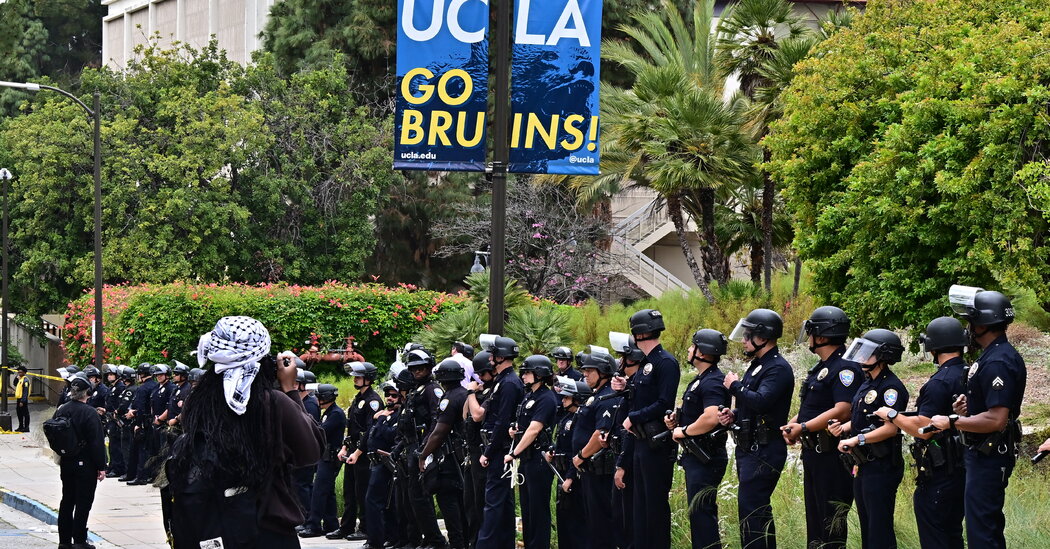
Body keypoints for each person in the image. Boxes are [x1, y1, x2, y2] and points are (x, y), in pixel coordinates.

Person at [165, 316, 324, 548]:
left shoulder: (196, 401)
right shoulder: (272, 403)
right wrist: (290, 390)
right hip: (266, 529)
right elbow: (311, 451)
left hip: (214, 522)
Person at [928, 287, 1026, 549]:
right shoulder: (991, 356)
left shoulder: (998, 362)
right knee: (982, 528)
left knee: (983, 533)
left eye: (971, 321)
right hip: (982, 454)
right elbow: (989, 409)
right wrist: (967, 410)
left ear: (983, 324)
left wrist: (951, 421)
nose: (968, 328)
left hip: (989, 456)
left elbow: (996, 419)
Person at [873, 317, 967, 549]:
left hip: (941, 473)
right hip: (965, 469)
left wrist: (893, 416)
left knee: (936, 535)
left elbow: (925, 429)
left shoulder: (939, 383)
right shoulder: (969, 374)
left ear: (933, 348)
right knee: (953, 533)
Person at [781, 306, 860, 548]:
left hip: (832, 454)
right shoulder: (822, 367)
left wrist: (803, 427)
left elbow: (843, 408)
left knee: (831, 519)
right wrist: (795, 423)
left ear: (822, 336)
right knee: (815, 518)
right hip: (814, 452)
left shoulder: (846, 367)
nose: (810, 338)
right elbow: (813, 406)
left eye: (812, 332)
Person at [718, 308, 794, 549]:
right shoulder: (758, 365)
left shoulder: (778, 368)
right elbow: (752, 408)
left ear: (762, 337)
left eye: (748, 335)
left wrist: (735, 386)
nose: (743, 340)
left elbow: (762, 400)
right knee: (752, 509)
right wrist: (734, 414)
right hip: (749, 446)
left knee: (753, 508)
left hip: (765, 447)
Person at [833, 329, 909, 549]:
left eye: (868, 352)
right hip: (864, 464)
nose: (862, 357)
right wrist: (843, 427)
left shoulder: (891, 388)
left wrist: (857, 440)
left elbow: (890, 428)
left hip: (882, 465)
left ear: (883, 356)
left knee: (879, 528)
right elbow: (864, 418)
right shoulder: (867, 383)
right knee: (867, 525)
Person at [664, 329, 731, 549]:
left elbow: (711, 417)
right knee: (698, 514)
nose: (689, 349)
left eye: (693, 346)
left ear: (702, 352)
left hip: (706, 457)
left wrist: (683, 432)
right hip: (696, 457)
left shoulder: (712, 381)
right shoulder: (700, 379)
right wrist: (677, 421)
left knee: (702, 515)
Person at [622, 309, 679, 549]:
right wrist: (623, 387)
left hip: (656, 443)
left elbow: (664, 402)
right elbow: (639, 397)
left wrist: (633, 417)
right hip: (640, 442)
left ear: (638, 334)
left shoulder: (665, 362)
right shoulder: (646, 364)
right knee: (640, 506)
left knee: (654, 506)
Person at [469, 336, 525, 549]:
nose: (490, 358)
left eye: (493, 355)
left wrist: (489, 452)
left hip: (499, 450)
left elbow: (502, 421)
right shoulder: (503, 381)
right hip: (497, 448)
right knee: (503, 504)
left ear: (501, 357)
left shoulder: (509, 383)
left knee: (493, 503)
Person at [505, 355, 558, 549]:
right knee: (527, 510)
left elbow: (534, 430)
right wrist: (514, 431)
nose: (524, 376)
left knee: (538, 509)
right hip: (527, 460)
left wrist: (514, 453)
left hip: (538, 459)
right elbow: (524, 425)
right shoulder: (529, 396)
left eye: (528, 372)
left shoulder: (546, 397)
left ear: (540, 374)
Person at [398, 349, 449, 548]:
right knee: (413, 498)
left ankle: (435, 540)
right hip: (411, 446)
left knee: (422, 496)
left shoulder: (432, 389)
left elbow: (436, 421)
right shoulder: (415, 390)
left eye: (421, 368)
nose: (417, 372)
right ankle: (426, 538)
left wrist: (425, 450)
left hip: (423, 448)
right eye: (413, 369)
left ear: (429, 368)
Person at [418, 358, 471, 549]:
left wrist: (423, 455)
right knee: (464, 509)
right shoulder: (465, 394)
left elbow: (439, 432)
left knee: (451, 509)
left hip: (449, 463)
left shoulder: (449, 399)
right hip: (463, 459)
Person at [571, 350, 621, 549]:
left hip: (599, 469)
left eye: (589, 371)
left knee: (601, 522)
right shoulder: (596, 396)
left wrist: (581, 455)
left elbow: (601, 434)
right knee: (591, 521)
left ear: (603, 371)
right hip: (589, 469)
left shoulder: (608, 397)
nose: (584, 375)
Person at [53, 372, 107, 549]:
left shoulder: (62, 409)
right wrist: (102, 466)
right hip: (85, 465)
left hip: (66, 462)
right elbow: (97, 443)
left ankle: (64, 541)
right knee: (83, 503)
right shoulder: (90, 413)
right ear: (87, 393)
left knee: (67, 501)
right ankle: (79, 540)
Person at [330, 361, 383, 541]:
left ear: (368, 378)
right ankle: (346, 527)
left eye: (359, 376)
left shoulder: (373, 400)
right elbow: (352, 426)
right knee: (349, 492)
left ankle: (365, 528)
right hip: (352, 450)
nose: (355, 379)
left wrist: (358, 452)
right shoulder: (358, 399)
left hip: (363, 453)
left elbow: (370, 431)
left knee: (362, 492)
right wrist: (345, 447)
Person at [300, 384, 345, 538]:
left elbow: (321, 431)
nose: (317, 399)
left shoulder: (336, 414)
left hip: (330, 458)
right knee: (328, 492)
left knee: (319, 491)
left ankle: (313, 526)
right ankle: (331, 523)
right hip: (326, 457)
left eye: (320, 396)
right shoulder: (329, 412)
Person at [361, 381, 403, 549]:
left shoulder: (397, 415)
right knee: (384, 504)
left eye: (394, 396)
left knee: (374, 501)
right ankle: (388, 537)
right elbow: (371, 435)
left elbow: (391, 435)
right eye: (388, 395)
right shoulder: (384, 415)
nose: (389, 398)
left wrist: (382, 419)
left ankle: (375, 541)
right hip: (375, 463)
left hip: (386, 464)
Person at [550, 376, 590, 549]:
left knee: (576, 522)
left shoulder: (581, 420)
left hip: (573, 476)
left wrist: (571, 477)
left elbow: (577, 450)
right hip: (561, 471)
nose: (563, 400)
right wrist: (553, 452)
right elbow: (561, 444)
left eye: (567, 397)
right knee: (564, 519)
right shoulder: (566, 418)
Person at [463, 350, 496, 546]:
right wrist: (473, 393)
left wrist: (470, 393)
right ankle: (472, 541)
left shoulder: (493, 391)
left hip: (484, 449)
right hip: (472, 450)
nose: (480, 378)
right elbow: (466, 414)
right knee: (470, 501)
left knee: (481, 500)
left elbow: (477, 415)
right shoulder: (481, 391)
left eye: (483, 374)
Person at [124, 363, 156, 484]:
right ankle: (148, 475)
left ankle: (141, 476)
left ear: (141, 374)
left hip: (143, 421)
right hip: (151, 421)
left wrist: (138, 423)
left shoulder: (142, 388)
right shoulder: (155, 385)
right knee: (149, 449)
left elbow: (142, 407)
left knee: (141, 450)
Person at [14, 365, 31, 432]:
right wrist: (16, 378)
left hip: (23, 400)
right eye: (18, 372)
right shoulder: (20, 379)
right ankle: (21, 427)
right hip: (19, 399)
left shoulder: (25, 380)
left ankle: (26, 427)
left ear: (24, 373)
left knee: (25, 414)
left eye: (21, 372)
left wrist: (22, 401)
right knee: (19, 413)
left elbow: (25, 392)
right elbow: (15, 384)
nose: (19, 373)